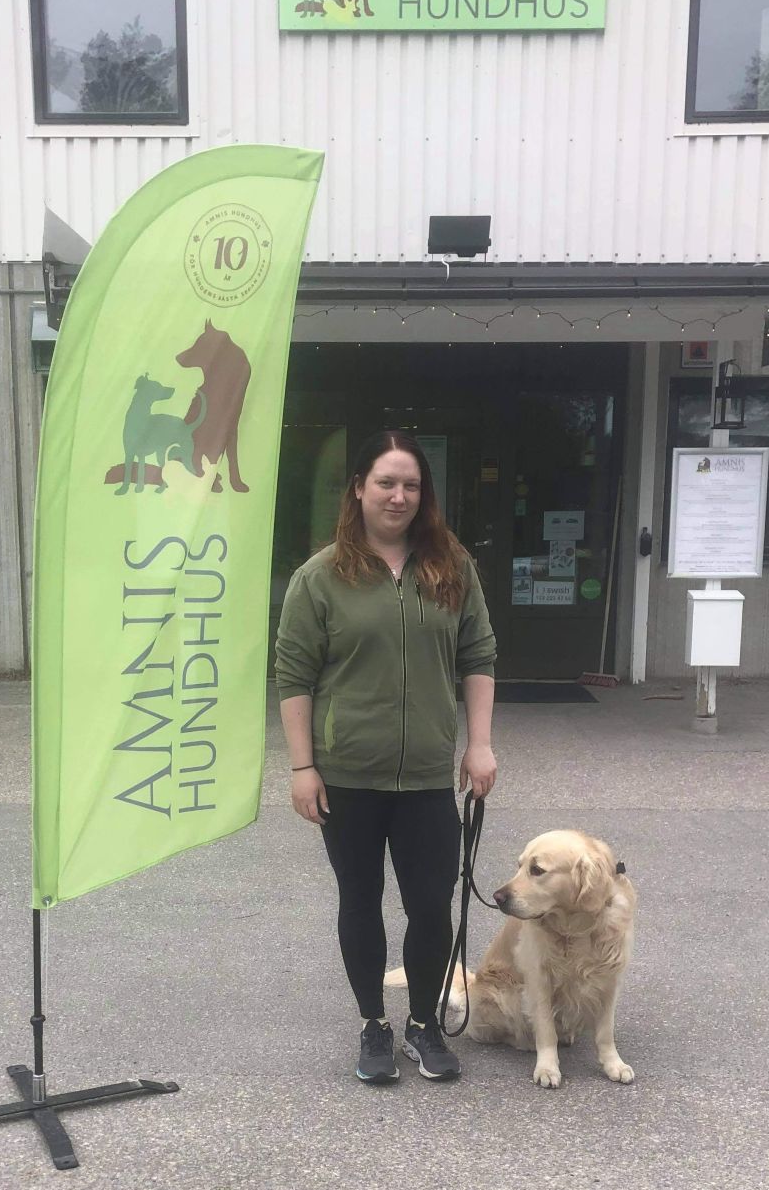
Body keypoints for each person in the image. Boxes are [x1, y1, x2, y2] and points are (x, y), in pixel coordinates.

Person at [274, 430, 497, 1084]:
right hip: (348, 774)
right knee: (360, 896)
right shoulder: (321, 577)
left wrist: (479, 742)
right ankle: (374, 1023)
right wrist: (300, 765)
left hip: (428, 773)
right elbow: (293, 675)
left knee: (432, 903)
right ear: (359, 489)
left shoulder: (450, 566)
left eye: (411, 485)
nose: (399, 495)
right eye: (386, 482)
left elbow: (478, 655)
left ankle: (424, 1024)